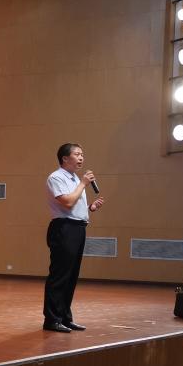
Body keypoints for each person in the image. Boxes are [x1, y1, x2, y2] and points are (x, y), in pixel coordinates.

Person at [43, 143, 105, 333]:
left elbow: (75, 206)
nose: (81, 158)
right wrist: (83, 184)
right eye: (77, 154)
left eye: (82, 154)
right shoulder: (56, 177)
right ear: (64, 158)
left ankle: (65, 318)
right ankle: (52, 320)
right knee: (60, 275)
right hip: (64, 229)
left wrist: (90, 208)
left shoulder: (75, 179)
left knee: (71, 276)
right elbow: (68, 202)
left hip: (77, 228)